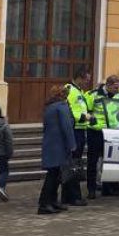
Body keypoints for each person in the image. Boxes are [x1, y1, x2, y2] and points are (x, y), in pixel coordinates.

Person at [38, 85, 76, 215]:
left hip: (50, 144)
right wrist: (72, 144)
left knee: (55, 174)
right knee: (53, 176)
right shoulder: (61, 107)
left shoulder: (50, 107)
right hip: (59, 146)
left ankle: (52, 201)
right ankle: (45, 204)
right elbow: (67, 126)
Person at [62, 68, 94, 207]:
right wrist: (85, 117)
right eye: (86, 79)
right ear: (79, 78)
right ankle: (73, 196)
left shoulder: (79, 91)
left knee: (74, 164)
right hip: (74, 131)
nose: (88, 82)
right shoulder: (70, 90)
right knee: (73, 165)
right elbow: (70, 111)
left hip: (80, 130)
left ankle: (69, 196)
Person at [88, 74, 119, 198]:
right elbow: (87, 112)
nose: (117, 90)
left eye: (118, 87)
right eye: (115, 87)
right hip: (96, 132)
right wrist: (92, 122)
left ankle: (108, 188)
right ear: (107, 85)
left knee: (110, 161)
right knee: (93, 162)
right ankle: (91, 190)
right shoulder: (93, 95)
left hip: (112, 132)